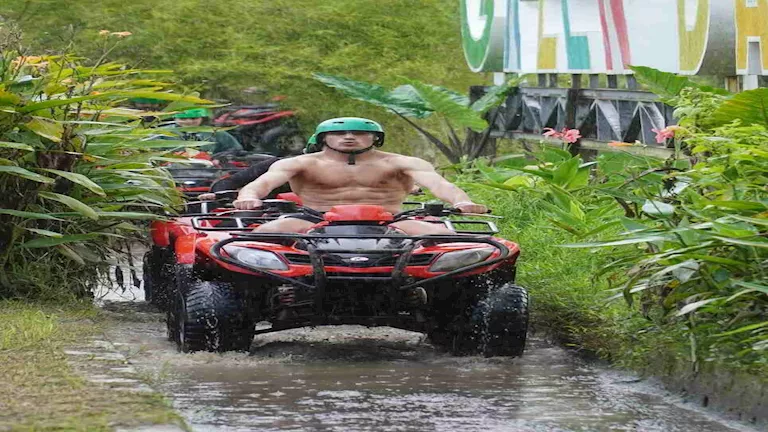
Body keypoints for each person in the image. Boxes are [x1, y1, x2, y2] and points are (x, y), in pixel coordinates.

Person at [233, 117, 487, 235]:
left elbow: (440, 184)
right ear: (323, 138)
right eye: (339, 133)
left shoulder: (403, 162)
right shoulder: (298, 163)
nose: (349, 137)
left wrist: (462, 201)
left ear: (375, 138)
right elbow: (261, 184)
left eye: (359, 133)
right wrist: (249, 197)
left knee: (446, 239)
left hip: (392, 221)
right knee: (260, 238)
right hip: (312, 219)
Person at [172, 108, 243, 155]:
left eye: (194, 118)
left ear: (202, 118)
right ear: (175, 119)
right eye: (183, 119)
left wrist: (219, 158)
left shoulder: (215, 132)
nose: (189, 121)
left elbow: (236, 149)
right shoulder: (166, 133)